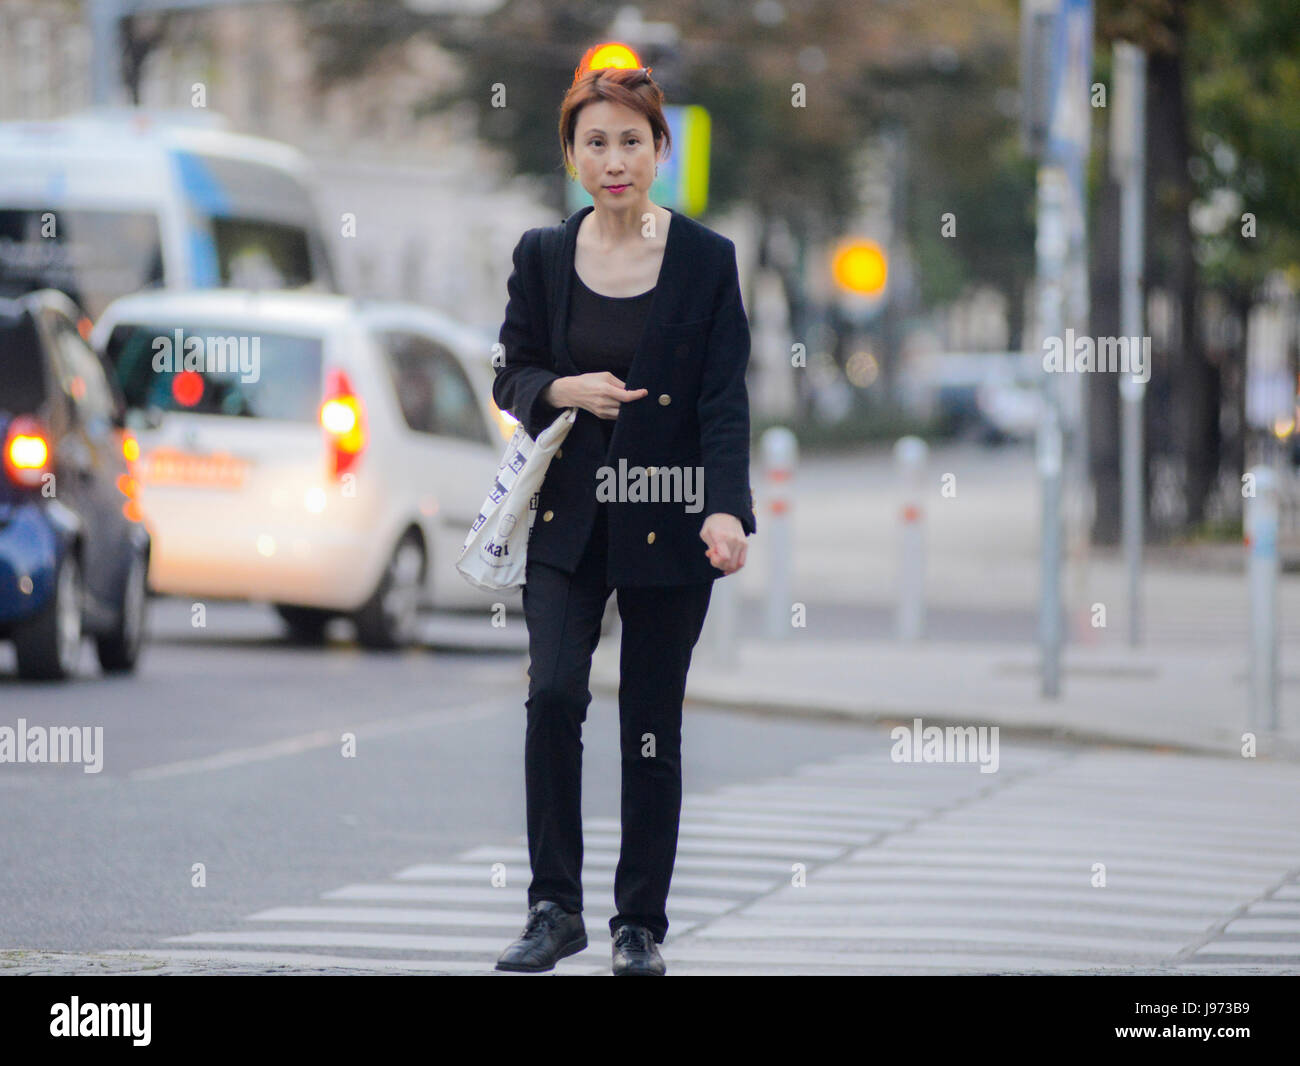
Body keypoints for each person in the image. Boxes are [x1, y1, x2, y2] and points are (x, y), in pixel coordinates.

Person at [491, 65, 757, 976]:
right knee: (554, 694)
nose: (614, 160)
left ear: (660, 151)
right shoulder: (540, 255)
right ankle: (552, 907)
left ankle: (638, 923)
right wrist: (560, 388)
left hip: (671, 519)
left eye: (631, 142)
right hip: (567, 521)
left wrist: (727, 507)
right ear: (571, 156)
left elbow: (725, 398)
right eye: (595, 143)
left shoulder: (705, 260)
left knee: (649, 723)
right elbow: (511, 373)